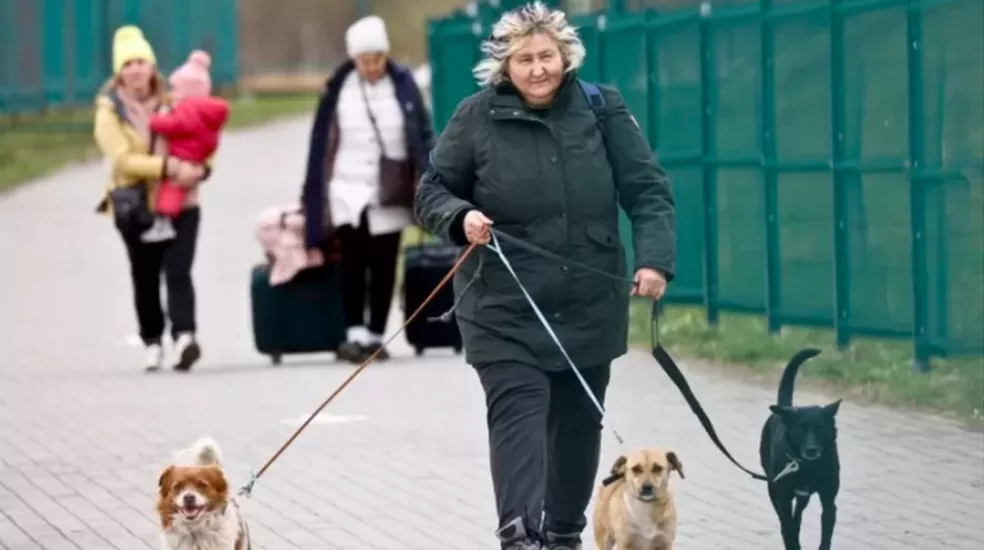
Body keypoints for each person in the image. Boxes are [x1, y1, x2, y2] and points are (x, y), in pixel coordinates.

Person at [413, 3, 676, 549]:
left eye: (547, 56)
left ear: (565, 56)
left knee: (579, 427)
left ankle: (562, 532)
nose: (538, 69)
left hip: (588, 302)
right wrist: (460, 218)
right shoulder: (474, 116)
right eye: (525, 59)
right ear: (504, 66)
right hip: (503, 306)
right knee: (519, 419)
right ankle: (519, 535)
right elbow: (429, 191)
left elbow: (647, 190)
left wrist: (653, 260)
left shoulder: (602, 109)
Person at [300, 15, 433, 364]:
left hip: (389, 187)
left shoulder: (403, 85)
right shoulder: (338, 87)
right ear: (353, 59)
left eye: (376, 59)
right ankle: (353, 331)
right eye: (364, 60)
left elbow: (420, 131)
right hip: (348, 185)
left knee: (386, 260)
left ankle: (376, 332)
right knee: (353, 259)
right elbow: (321, 139)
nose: (371, 66)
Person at [93, 26, 211, 372]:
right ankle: (153, 340)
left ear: (152, 65)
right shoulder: (109, 112)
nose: (136, 70)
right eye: (128, 64)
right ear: (119, 72)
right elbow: (123, 160)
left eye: (141, 62)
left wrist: (201, 169)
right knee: (144, 275)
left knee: (178, 271)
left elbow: (202, 136)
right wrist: (169, 167)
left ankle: (186, 337)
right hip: (135, 207)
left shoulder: (175, 98)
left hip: (182, 202)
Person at [150, 50, 230, 217]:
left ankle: (164, 217)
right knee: (182, 188)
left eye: (175, 88)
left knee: (173, 188)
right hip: (199, 154)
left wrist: (155, 121)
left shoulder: (187, 109)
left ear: (187, 90)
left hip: (183, 154)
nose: (172, 93)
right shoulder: (208, 110)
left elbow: (175, 124)